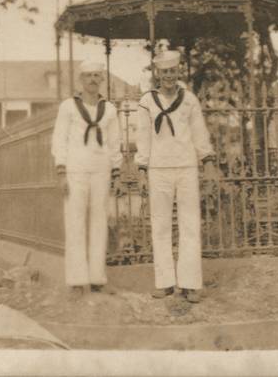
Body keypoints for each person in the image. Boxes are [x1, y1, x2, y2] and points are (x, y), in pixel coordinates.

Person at [135, 50, 219, 303]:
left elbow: (199, 133)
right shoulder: (146, 102)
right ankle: (165, 282)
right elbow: (143, 138)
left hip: (186, 168)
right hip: (158, 170)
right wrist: (141, 169)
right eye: (164, 72)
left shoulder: (190, 99)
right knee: (160, 225)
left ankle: (190, 283)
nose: (169, 76)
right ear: (157, 74)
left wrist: (208, 162)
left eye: (173, 71)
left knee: (190, 224)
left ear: (178, 72)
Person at [51, 60, 122, 296]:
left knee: (99, 221)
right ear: (81, 80)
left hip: (101, 170)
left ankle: (97, 278)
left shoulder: (109, 109)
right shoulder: (68, 107)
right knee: (75, 221)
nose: (92, 79)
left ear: (102, 79)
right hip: (75, 170)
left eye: (96, 75)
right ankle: (76, 280)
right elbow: (59, 140)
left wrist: (116, 172)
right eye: (88, 75)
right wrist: (61, 171)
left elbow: (114, 144)